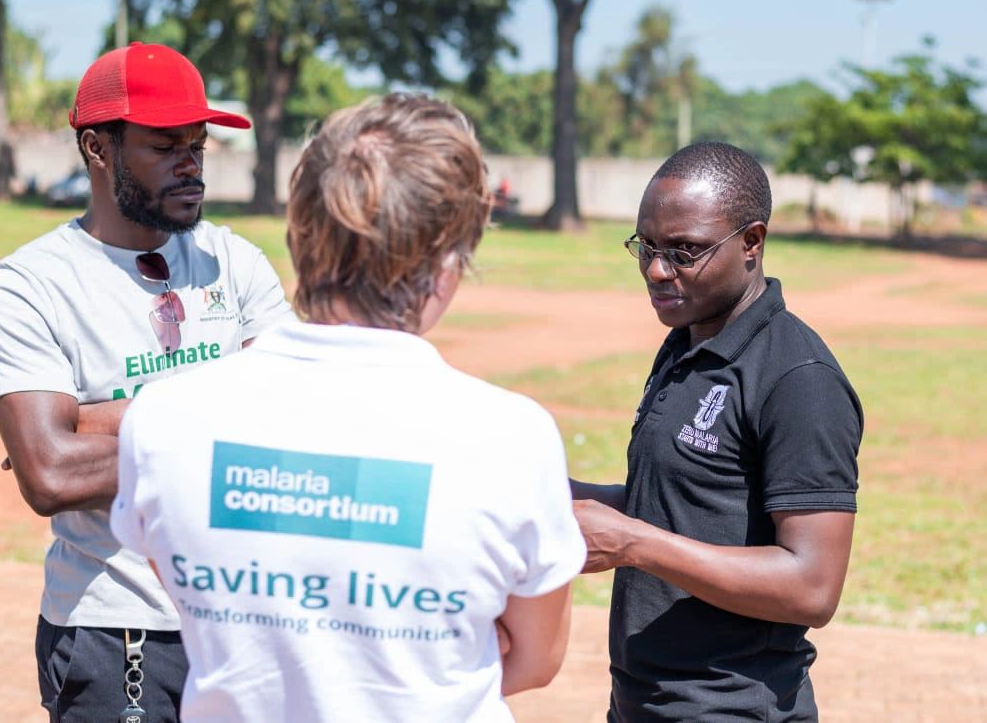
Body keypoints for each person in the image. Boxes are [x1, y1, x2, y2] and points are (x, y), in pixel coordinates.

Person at [110, 93, 587, 722]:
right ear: (449, 261)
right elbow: (535, 658)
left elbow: (196, 605)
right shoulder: (510, 438)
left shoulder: (164, 419)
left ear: (298, 233)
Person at [0, 42, 294, 722]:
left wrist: (93, 419)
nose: (190, 164)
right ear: (97, 148)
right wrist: (228, 421)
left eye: (197, 145)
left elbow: (295, 424)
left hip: (245, 623)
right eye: (164, 146)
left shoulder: (234, 261)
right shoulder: (31, 283)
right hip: (117, 629)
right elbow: (51, 476)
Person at [572, 142, 863, 722]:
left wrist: (632, 544)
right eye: (646, 247)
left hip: (731, 708)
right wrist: (563, 497)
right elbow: (691, 506)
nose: (657, 270)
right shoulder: (689, 340)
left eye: (685, 251)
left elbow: (812, 587)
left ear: (751, 242)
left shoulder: (798, 378)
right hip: (643, 702)